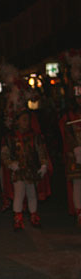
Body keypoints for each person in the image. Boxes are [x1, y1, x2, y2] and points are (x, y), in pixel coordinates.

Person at [0, 109, 50, 230]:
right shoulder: (10, 137)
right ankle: (18, 218)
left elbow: (41, 151)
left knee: (32, 193)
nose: (26, 122)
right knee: (19, 193)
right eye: (24, 120)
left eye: (28, 120)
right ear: (17, 121)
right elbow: (4, 154)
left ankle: (33, 215)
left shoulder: (34, 136)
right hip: (18, 171)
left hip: (31, 170)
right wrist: (10, 164)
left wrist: (44, 165)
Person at [59, 88, 81, 226]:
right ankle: (79, 213)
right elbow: (66, 135)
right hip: (75, 154)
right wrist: (74, 149)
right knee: (77, 183)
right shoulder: (68, 117)